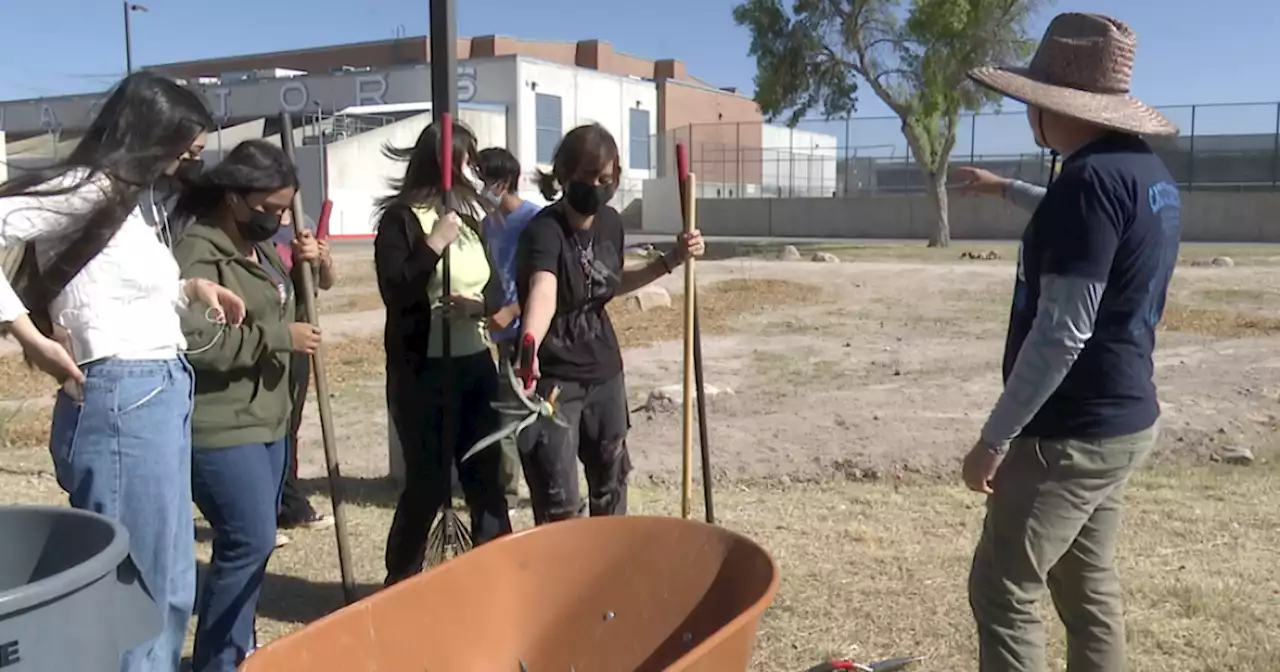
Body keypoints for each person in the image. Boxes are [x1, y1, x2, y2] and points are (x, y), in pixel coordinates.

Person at [0, 71, 243, 672]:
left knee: (168, 582)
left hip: (158, 390)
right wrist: (26, 333)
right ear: (148, 130)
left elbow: (113, 290)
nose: (193, 151)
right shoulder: (84, 188)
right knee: (138, 586)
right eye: (185, 138)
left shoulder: (131, 203)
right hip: (123, 393)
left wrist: (190, 288)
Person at [960, 13, 1181, 672]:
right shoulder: (1143, 174)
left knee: (1003, 588)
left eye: (1033, 103)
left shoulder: (1086, 187)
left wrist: (994, 438)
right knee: (1086, 588)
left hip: (1071, 437)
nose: (1029, 115)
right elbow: (1088, 222)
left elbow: (1061, 333)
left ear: (1055, 109)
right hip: (1123, 421)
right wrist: (1005, 189)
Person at [169, 139, 323, 671]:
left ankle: (238, 647)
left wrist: (312, 270)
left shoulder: (258, 251)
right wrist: (278, 338)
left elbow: (289, 311)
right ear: (234, 197)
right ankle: (219, 660)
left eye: (283, 209)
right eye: (270, 209)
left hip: (268, 421)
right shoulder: (198, 251)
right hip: (220, 425)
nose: (278, 219)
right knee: (250, 540)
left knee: (254, 546)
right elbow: (201, 342)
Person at [515, 123, 705, 525]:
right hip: (555, 380)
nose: (597, 187)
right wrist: (529, 341)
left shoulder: (611, 224)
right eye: (587, 176)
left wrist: (671, 259)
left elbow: (611, 283)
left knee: (611, 484)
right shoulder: (544, 231)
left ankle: (609, 574)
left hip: (604, 372)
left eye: (606, 179)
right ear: (564, 173)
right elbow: (543, 290)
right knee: (559, 501)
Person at [375, 119, 513, 585]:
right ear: (443, 164)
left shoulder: (473, 224)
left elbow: (497, 289)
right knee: (428, 483)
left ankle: (496, 576)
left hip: (474, 365)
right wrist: (434, 244)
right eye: (466, 159)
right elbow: (395, 290)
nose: (474, 168)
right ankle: (402, 580)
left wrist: (483, 306)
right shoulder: (401, 221)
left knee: (485, 476)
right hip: (423, 373)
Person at [476, 146, 542, 511]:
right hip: (501, 334)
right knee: (505, 410)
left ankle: (537, 483)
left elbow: (543, 280)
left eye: (480, 179)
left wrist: (514, 311)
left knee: (529, 408)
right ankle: (508, 486)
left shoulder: (535, 221)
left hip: (527, 330)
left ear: (500, 183)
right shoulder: (488, 226)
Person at [271, 210, 336, 547]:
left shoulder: (302, 222)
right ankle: (273, 507)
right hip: (271, 339)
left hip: (299, 339)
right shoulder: (251, 226)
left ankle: (289, 502)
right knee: (270, 426)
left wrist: (321, 259)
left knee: (290, 425)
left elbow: (325, 281)